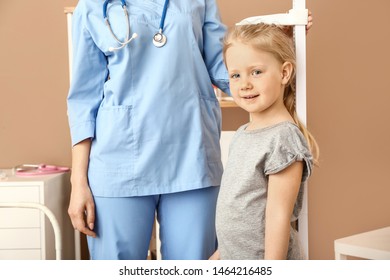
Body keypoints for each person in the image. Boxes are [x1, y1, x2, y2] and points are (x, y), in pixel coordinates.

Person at [67, 0, 313, 260]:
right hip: (119, 162)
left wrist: (281, 42)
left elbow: (228, 70)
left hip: (191, 158)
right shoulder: (93, 6)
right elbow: (84, 99)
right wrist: (78, 181)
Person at [210, 23, 319, 260]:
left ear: (284, 73)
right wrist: (220, 255)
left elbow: (278, 216)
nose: (245, 83)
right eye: (235, 75)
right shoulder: (242, 134)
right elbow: (242, 207)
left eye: (256, 72)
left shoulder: (283, 138)